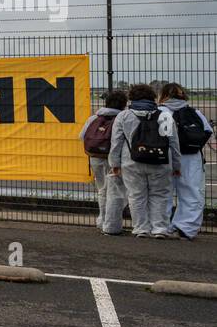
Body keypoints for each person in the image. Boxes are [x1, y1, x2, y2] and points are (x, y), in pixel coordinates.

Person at [109, 83, 181, 238]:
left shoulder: (123, 116)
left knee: (136, 195)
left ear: (131, 98)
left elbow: (116, 143)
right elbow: (174, 142)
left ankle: (141, 228)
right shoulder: (165, 115)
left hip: (132, 162)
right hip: (161, 161)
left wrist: (114, 164)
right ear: (153, 97)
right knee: (160, 194)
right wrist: (176, 164)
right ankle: (160, 228)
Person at [159, 83, 213, 240]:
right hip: (191, 156)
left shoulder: (161, 112)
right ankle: (186, 228)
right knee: (192, 192)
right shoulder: (193, 112)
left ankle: (162, 226)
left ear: (163, 95)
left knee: (163, 192)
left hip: (165, 157)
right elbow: (207, 130)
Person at [80, 90, 127, 234]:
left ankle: (102, 219)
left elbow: (82, 136)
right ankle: (111, 222)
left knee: (102, 189)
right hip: (115, 160)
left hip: (95, 157)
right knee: (117, 191)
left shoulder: (94, 118)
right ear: (124, 104)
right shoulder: (123, 118)